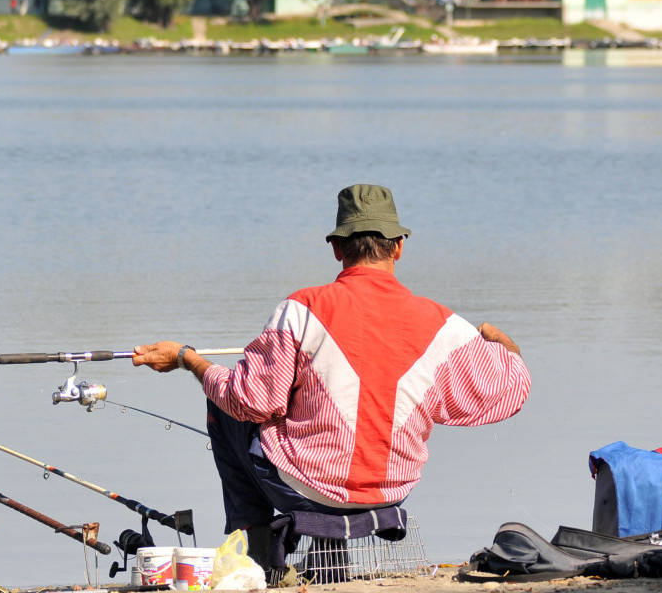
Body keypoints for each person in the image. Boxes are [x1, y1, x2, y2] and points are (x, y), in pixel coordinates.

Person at [134, 184, 530, 570]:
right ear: (399, 247)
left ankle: (258, 553)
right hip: (390, 491)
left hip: (304, 491)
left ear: (337, 248)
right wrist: (502, 342)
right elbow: (513, 386)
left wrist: (190, 359)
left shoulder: (303, 309)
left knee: (222, 403)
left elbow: (250, 400)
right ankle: (329, 554)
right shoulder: (444, 325)